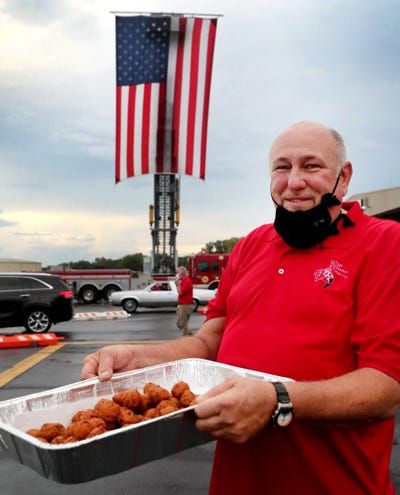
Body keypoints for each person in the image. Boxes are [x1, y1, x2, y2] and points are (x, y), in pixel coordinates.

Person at [81, 122, 400, 495]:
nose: (294, 182)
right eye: (282, 168)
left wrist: (276, 400)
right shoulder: (250, 246)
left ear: (343, 179)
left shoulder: (384, 244)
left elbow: (385, 387)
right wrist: (136, 359)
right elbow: (207, 346)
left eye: (312, 166)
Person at [175, 266, 194, 336]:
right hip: (183, 304)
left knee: (183, 324)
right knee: (180, 324)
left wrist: (177, 284)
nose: (177, 274)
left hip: (186, 305)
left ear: (182, 273)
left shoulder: (186, 281)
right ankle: (190, 335)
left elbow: (180, 292)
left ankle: (188, 338)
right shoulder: (183, 281)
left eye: (178, 272)